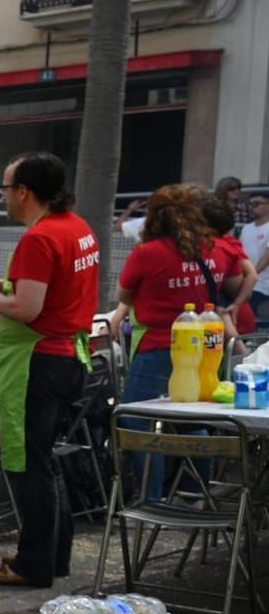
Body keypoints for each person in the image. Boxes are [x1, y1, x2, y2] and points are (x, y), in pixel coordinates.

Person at [0, 153, 100, 588]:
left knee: (28, 464)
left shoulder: (40, 239)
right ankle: (50, 555)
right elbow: (54, 291)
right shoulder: (78, 228)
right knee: (46, 461)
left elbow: (28, 308)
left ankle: (32, 565)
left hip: (38, 364)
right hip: (67, 358)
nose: (4, 196)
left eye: (5, 188)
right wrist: (6, 288)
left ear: (24, 191)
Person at [104, 184, 242, 497]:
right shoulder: (215, 249)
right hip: (207, 346)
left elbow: (123, 295)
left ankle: (150, 498)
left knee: (134, 420)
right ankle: (196, 492)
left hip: (161, 347)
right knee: (194, 417)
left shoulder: (147, 254)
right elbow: (235, 282)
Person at [203, 182, 258, 336]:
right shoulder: (224, 242)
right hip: (229, 316)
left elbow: (252, 275)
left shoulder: (226, 244)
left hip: (232, 316)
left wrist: (237, 304)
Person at [241, 184, 269, 322]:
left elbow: (267, 256)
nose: (251, 207)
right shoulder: (246, 228)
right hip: (247, 281)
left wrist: (252, 274)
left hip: (264, 284)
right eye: (250, 204)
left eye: (256, 204)